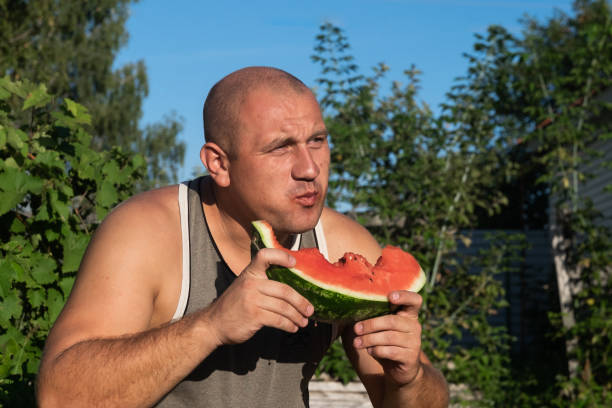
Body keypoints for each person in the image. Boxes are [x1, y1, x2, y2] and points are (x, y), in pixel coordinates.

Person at [36, 66, 449, 407]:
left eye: (318, 141)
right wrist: (212, 325)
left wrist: (409, 378)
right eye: (280, 148)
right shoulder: (149, 232)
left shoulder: (343, 245)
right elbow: (59, 398)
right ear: (219, 163)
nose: (309, 168)